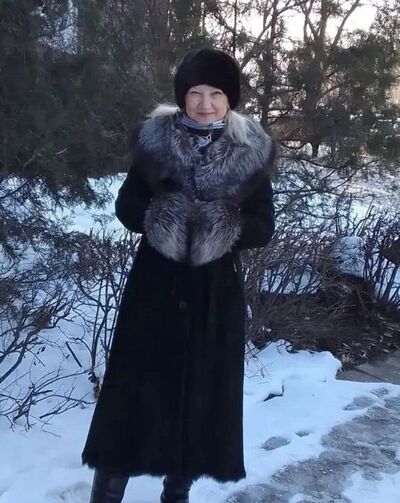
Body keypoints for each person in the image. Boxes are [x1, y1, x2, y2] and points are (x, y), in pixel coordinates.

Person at [81, 47, 276, 503]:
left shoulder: (251, 152)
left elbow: (264, 226)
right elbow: (127, 205)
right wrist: (164, 218)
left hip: (214, 298)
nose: (205, 104)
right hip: (154, 293)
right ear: (182, 96)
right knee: (131, 403)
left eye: (216, 93)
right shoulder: (156, 143)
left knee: (198, 406)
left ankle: (177, 494)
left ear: (230, 99)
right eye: (195, 93)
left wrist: (220, 226)